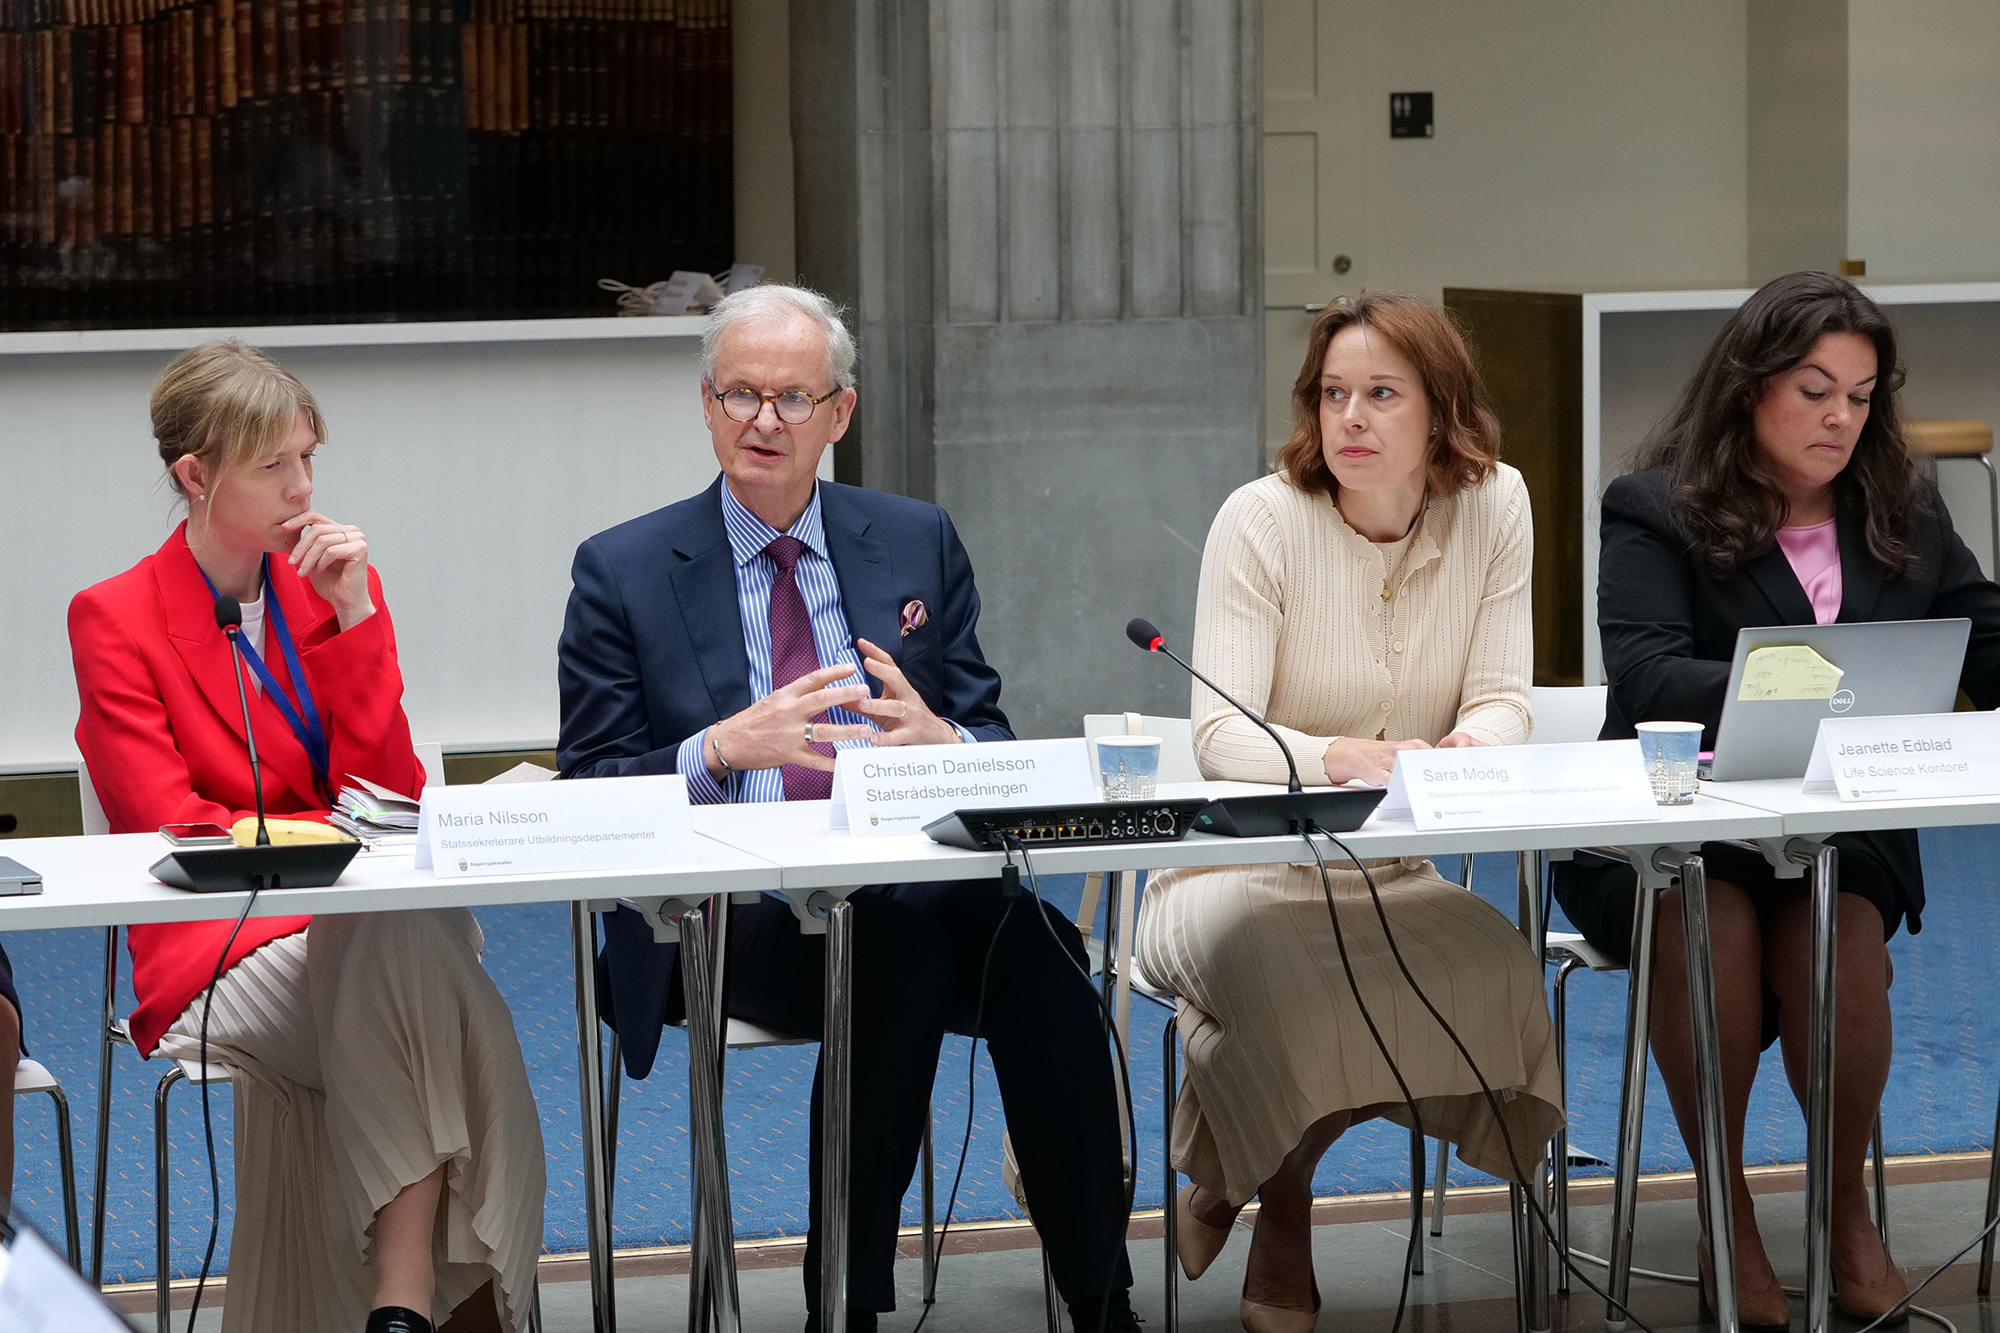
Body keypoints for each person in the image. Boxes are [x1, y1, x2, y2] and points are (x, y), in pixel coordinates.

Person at [558, 284, 1137, 1333]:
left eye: (790, 396)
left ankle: (1101, 1300)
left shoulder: (913, 541)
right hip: (721, 916)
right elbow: (588, 788)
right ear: (704, 405)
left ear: (840, 412)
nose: (762, 420)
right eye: (739, 394)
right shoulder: (626, 568)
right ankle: (848, 1306)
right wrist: (719, 749)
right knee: (894, 957)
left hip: (906, 885)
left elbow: (989, 736)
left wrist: (947, 742)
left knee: (1047, 956)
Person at [1552, 270, 2000, 1328]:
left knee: (1838, 941)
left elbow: (1980, 632)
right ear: (1749, 386)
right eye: (1812, 390)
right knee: (1711, 923)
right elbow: (1649, 675)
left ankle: (1842, 1207)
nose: (1838, 417)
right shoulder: (1654, 507)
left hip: (1839, 822)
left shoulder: (1900, 508)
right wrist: (1818, 680)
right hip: (1671, 825)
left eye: (1857, 394)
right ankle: (1725, 1208)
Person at [68, 341, 545, 1333]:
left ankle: (398, 1306)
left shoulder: (323, 590)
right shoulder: (113, 617)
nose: (303, 489)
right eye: (272, 465)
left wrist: (354, 617)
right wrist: (330, 838)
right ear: (193, 475)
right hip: (217, 944)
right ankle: (430, 1303)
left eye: (310, 459)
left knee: (384, 926)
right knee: (438, 1002)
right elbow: (172, 824)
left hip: (357, 926)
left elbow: (390, 796)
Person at [1134, 292, 1565, 1333]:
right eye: (1333, 394)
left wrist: (1471, 748)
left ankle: (1213, 1181)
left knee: (1493, 974)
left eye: (1381, 393)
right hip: (1225, 872)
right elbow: (1220, 739)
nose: (1350, 419)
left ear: (1439, 411)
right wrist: (1343, 756)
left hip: (1387, 868)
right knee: (1296, 1003)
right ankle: (1284, 1215)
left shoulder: (1495, 503)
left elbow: (1506, 696)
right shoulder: (1261, 517)